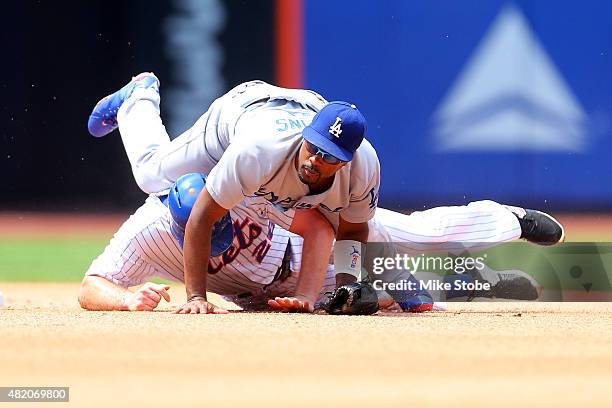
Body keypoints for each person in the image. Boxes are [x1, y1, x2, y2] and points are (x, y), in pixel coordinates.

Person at [88, 73, 381, 313]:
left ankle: (419, 276)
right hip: (240, 114)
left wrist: (348, 287)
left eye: (328, 155)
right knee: (151, 175)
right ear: (306, 135)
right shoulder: (257, 152)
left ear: (347, 159)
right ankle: (139, 97)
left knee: (373, 231)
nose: (316, 158)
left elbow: (353, 229)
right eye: (313, 146)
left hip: (309, 108)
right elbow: (203, 215)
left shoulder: (364, 166)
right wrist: (195, 297)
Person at [78, 173, 563, 313]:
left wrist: (312, 293)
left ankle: (509, 220)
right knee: (404, 299)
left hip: (316, 252)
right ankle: (481, 284)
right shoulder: (148, 230)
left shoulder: (240, 189)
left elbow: (319, 225)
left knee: (418, 235)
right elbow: (92, 283)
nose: (221, 236)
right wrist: (125, 299)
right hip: (268, 298)